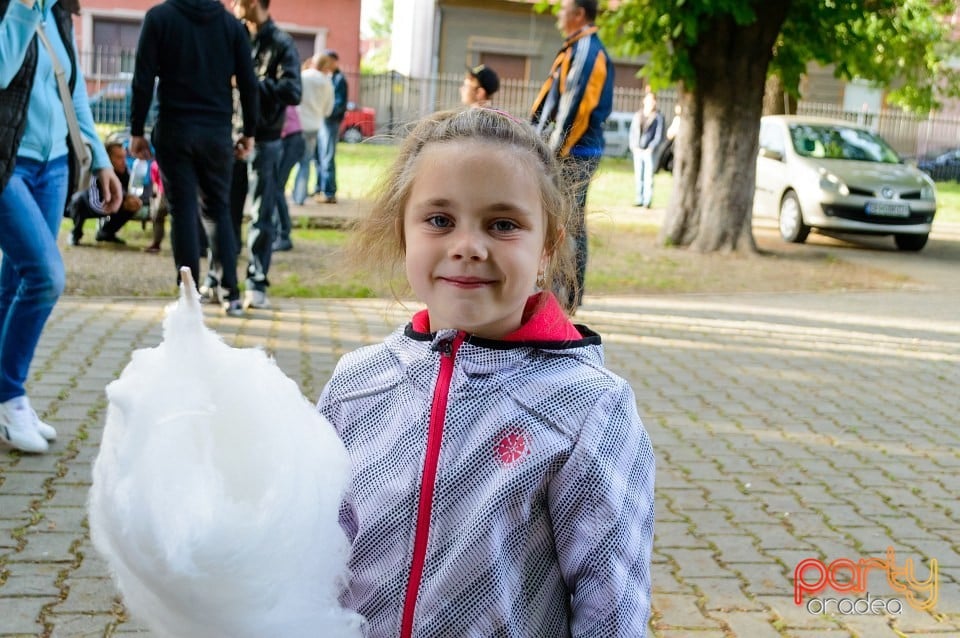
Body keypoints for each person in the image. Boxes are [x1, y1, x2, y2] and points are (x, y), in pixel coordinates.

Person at [317, 108, 655, 636]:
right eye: (439, 220)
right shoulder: (357, 385)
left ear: (547, 246)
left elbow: (611, 605)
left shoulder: (590, 409)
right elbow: (317, 553)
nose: (468, 246)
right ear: (403, 233)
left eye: (503, 225)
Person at [0, 0, 122, 453]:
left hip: (51, 167)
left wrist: (101, 161)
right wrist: (22, 10)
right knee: (46, 276)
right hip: (7, 164)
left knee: (13, 282)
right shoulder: (18, 9)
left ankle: (8, 397)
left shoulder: (59, 11)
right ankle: (10, 396)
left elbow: (73, 93)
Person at [128, 0, 259, 318]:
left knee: (183, 211)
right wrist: (249, 131)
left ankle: (188, 295)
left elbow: (143, 78)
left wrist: (136, 130)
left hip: (175, 129)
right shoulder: (232, 27)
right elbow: (248, 83)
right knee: (218, 211)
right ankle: (231, 294)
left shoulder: (159, 18)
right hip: (216, 133)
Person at [530, 0, 613, 309]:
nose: (559, 13)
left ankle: (568, 295)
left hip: (575, 152)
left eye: (564, 8)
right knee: (562, 219)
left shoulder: (589, 51)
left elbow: (576, 109)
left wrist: (554, 152)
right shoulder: (573, 48)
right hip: (566, 150)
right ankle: (559, 290)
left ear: (579, 14)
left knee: (569, 223)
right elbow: (551, 100)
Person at [232, 0, 301, 310]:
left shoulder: (281, 42)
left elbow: (293, 90)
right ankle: (221, 282)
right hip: (231, 136)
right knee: (225, 212)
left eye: (238, 0)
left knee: (262, 215)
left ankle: (256, 283)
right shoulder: (235, 36)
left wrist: (252, 84)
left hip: (266, 139)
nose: (233, 5)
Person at [66, 136, 147, 246]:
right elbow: (94, 202)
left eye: (124, 157)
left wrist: (128, 200)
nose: (123, 162)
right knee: (78, 202)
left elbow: (126, 193)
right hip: (87, 204)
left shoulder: (124, 172)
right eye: (119, 158)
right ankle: (76, 233)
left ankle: (106, 232)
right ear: (108, 158)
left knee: (132, 204)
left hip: (109, 204)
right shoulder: (98, 173)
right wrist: (113, 206)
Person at [292, 54, 333, 205]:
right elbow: (328, 110)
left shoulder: (303, 77)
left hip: (297, 124)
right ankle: (299, 196)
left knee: (289, 162)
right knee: (305, 162)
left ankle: (284, 194)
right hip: (314, 126)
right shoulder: (327, 83)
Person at [315, 49, 346, 204]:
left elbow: (339, 104)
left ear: (334, 61)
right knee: (320, 157)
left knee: (327, 157)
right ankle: (320, 188)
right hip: (323, 120)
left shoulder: (340, 79)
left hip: (330, 122)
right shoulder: (329, 77)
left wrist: (326, 112)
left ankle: (329, 193)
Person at [273, 104, 304, 251]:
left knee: (277, 189)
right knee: (276, 188)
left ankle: (284, 235)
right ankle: (278, 232)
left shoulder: (281, 92)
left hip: (291, 140)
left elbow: (282, 123)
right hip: (291, 140)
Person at [629, 91, 664, 208]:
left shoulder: (658, 117)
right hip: (638, 150)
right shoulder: (637, 115)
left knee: (648, 177)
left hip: (649, 152)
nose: (650, 102)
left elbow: (658, 136)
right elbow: (633, 133)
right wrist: (634, 147)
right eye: (648, 99)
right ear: (644, 101)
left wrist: (651, 148)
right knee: (639, 176)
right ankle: (639, 198)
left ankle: (647, 201)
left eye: (653, 100)